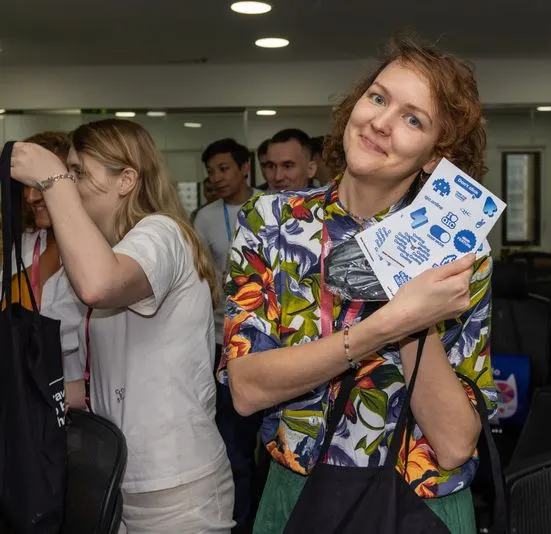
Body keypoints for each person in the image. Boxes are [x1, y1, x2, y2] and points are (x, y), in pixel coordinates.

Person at [219, 37, 496, 534]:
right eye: (378, 98)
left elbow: (455, 443)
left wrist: (418, 320)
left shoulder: (461, 255)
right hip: (299, 490)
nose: (382, 122)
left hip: (417, 500)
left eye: (414, 119)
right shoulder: (271, 221)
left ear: (436, 156)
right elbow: (246, 388)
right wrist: (392, 321)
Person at [9, 118, 234, 533]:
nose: (70, 183)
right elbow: (103, 383)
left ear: (126, 179)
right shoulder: (103, 255)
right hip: (115, 476)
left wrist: (53, 180)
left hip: (175, 485)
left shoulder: (162, 234)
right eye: (68, 172)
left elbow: (99, 285)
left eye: (78, 173)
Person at [193, 137, 261, 534]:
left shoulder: (269, 207)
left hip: (270, 337)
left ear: (243, 169)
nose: (216, 177)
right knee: (234, 444)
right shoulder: (204, 218)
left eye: (223, 169)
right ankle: (240, 524)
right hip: (224, 337)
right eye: (211, 171)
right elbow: (200, 278)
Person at [6, 131, 87, 410]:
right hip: (25, 395)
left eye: (40, 184)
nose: (30, 196)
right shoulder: (26, 242)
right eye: (25, 186)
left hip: (83, 399)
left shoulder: (99, 248)